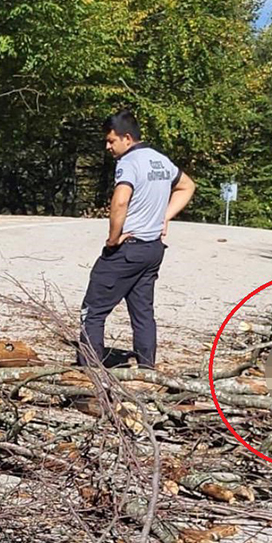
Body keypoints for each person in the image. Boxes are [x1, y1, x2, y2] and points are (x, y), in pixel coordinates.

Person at [77, 108, 196, 369]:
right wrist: (165, 216)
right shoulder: (160, 160)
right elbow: (187, 185)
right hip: (152, 250)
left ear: (127, 138)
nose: (107, 146)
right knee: (143, 314)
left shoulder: (128, 163)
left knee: (93, 312)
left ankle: (89, 371)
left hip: (127, 250)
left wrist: (112, 239)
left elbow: (120, 201)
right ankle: (146, 371)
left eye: (111, 140)